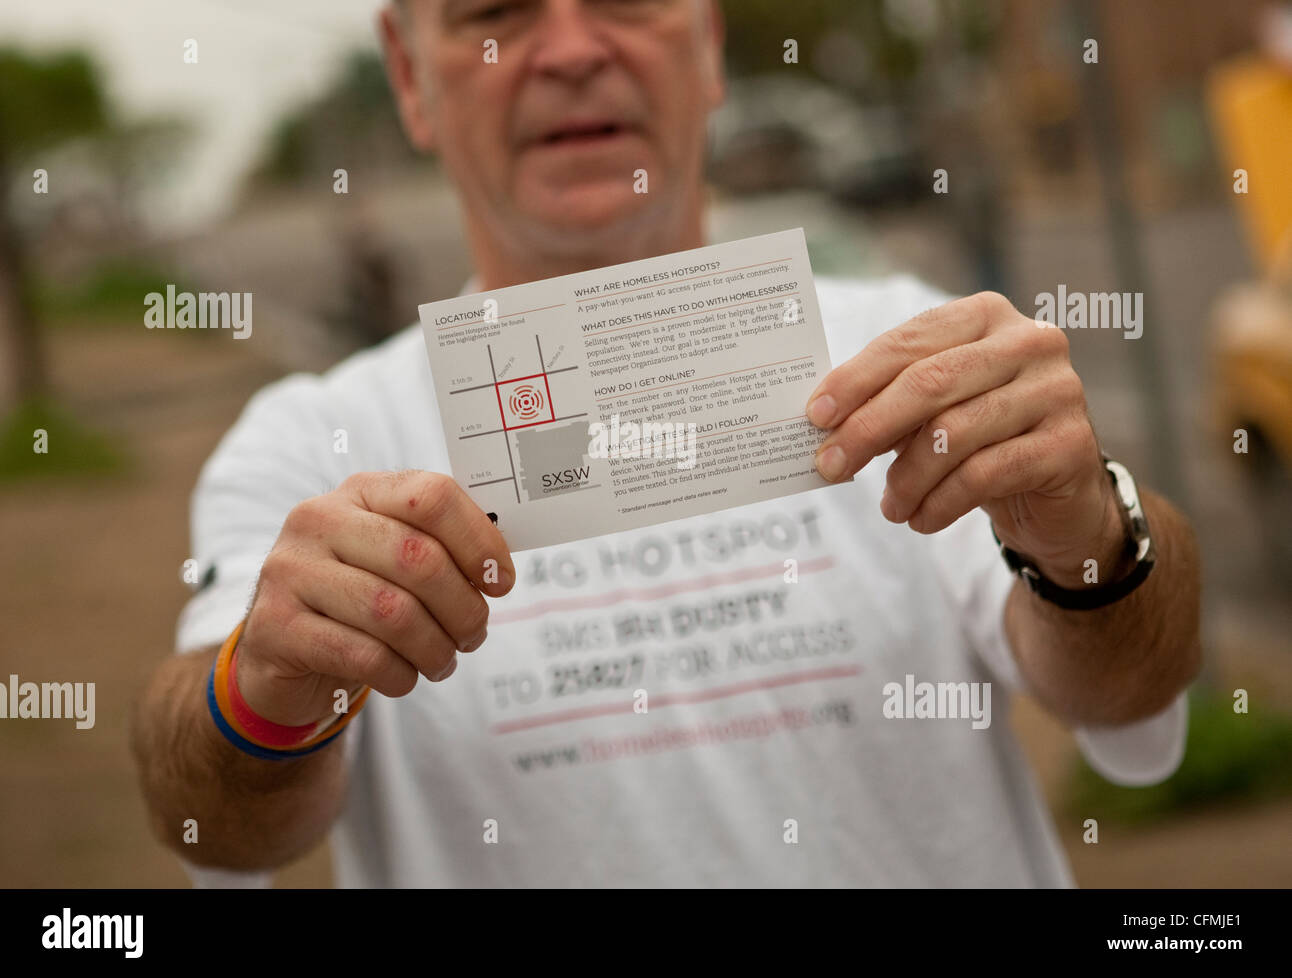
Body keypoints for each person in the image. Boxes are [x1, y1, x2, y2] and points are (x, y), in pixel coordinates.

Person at [132, 0, 1201, 887]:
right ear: (409, 77)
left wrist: (1091, 540)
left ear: (708, 45)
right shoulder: (316, 442)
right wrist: (263, 684)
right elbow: (209, 826)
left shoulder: (906, 351)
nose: (571, 49)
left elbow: (1130, 693)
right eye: (495, 15)